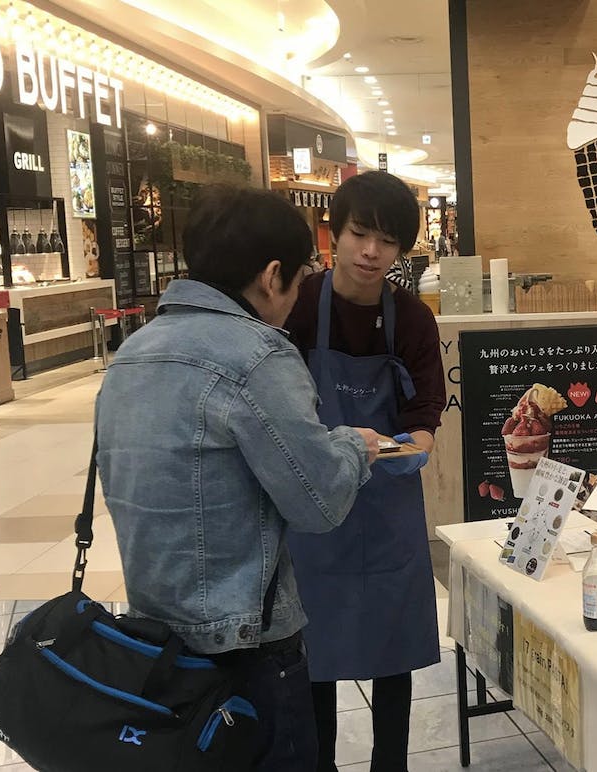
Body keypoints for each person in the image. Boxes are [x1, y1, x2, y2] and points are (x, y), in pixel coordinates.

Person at [94, 185, 380, 772]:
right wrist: (355, 445)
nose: (296, 298)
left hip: (153, 642)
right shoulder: (257, 356)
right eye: (298, 281)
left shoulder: (132, 354)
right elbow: (320, 502)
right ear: (272, 276)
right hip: (247, 651)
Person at [283, 171, 446, 772]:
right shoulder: (299, 304)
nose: (371, 252)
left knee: (391, 648)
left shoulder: (412, 318)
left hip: (387, 505)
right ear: (334, 232)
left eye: (388, 241)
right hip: (313, 503)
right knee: (313, 650)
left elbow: (425, 411)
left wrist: (413, 446)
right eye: (359, 234)